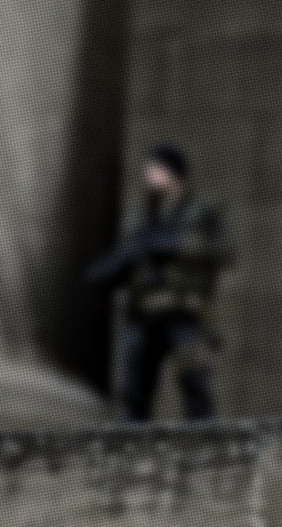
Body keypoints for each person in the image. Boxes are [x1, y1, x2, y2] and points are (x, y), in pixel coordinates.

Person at [86, 143, 232, 421]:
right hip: (145, 314)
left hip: (184, 311)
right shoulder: (143, 217)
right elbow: (124, 258)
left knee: (195, 383)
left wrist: (173, 246)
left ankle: (202, 437)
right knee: (134, 391)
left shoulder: (201, 210)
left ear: (173, 172)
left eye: (155, 167)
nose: (148, 174)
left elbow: (222, 250)